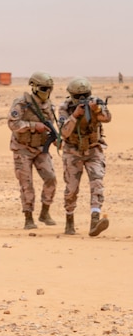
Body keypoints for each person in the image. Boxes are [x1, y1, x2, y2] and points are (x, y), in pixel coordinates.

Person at [59, 77, 112, 236]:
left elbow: (107, 118)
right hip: (72, 151)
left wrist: (97, 110)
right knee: (71, 189)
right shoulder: (65, 107)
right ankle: (69, 219)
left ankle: (94, 220)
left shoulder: (96, 103)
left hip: (93, 149)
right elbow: (63, 132)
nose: (83, 99)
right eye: (79, 96)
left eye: (86, 95)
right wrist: (75, 116)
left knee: (97, 183)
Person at [8, 72, 59, 230]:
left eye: (49, 88)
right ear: (35, 87)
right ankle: (28, 217)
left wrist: (56, 137)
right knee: (26, 184)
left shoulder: (49, 105)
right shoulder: (22, 103)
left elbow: (51, 124)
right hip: (22, 148)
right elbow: (13, 124)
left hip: (41, 148)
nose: (47, 91)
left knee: (51, 178)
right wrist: (32, 126)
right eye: (44, 88)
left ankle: (45, 212)